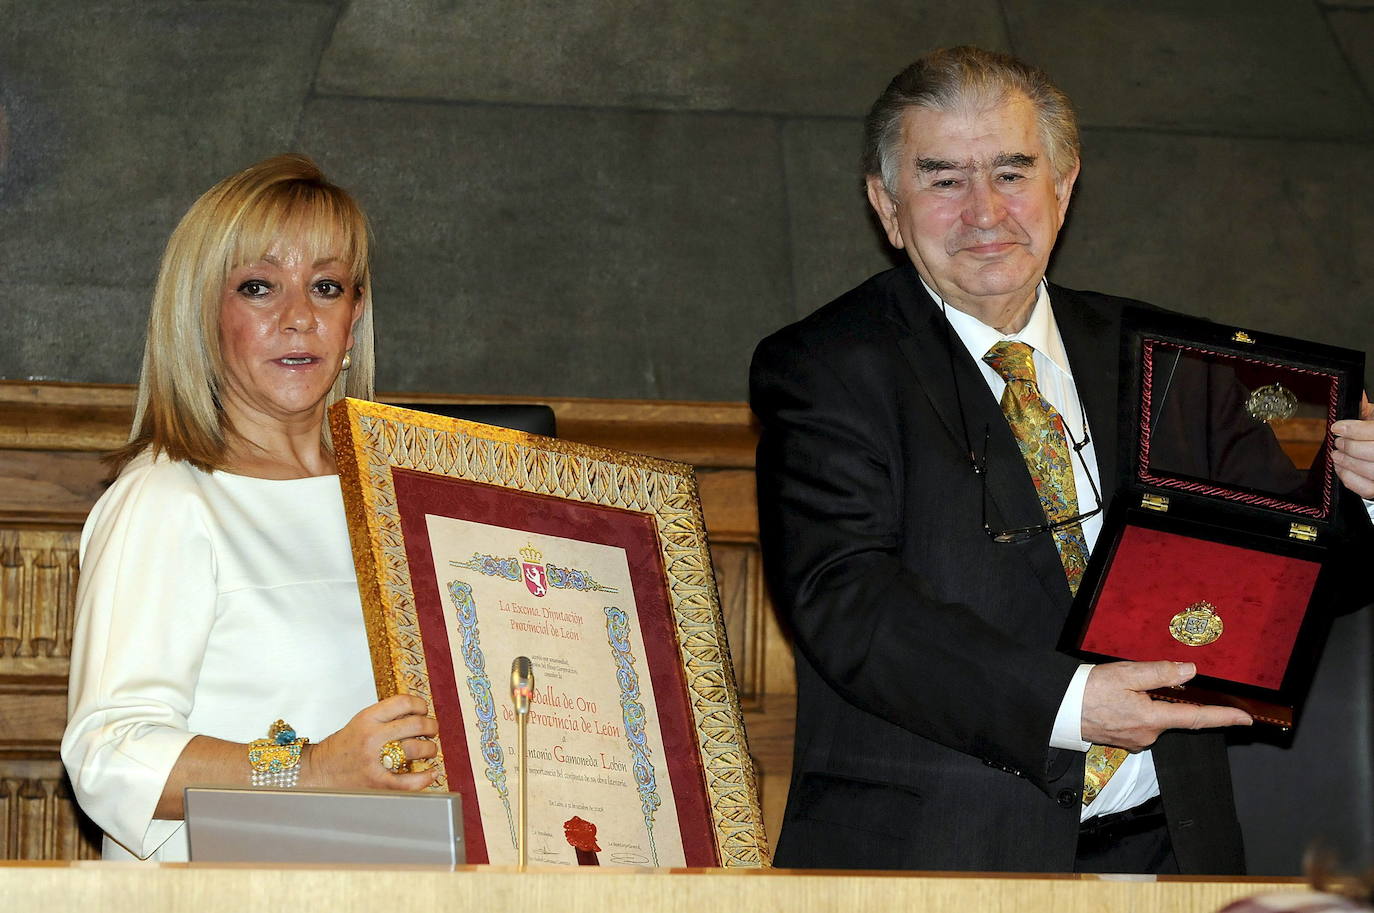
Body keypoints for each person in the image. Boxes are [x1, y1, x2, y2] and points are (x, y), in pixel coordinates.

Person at [750, 46, 1374, 874]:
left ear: (1064, 186)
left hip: (1178, 859)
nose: (984, 212)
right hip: (937, 868)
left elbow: (1286, 585)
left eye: (1013, 173)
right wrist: (1074, 704)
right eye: (943, 179)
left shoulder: (1171, 363)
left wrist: (1362, 499)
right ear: (887, 206)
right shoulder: (825, 368)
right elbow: (847, 601)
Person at [62, 154, 439, 861]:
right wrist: (313, 767)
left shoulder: (404, 503)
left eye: (326, 286)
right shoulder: (165, 498)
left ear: (354, 316)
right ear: (205, 313)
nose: (299, 317)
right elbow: (109, 755)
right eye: (260, 286)